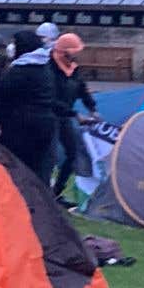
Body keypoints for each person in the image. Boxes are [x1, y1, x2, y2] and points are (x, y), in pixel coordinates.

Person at [0, 30, 58, 182]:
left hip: (22, 126)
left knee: (17, 165)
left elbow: (0, 88)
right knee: (39, 168)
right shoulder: (44, 66)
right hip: (44, 123)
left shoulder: (22, 69)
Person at [47, 33, 99, 201]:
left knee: (72, 152)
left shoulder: (73, 68)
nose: (77, 54)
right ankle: (44, 191)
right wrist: (75, 114)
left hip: (65, 116)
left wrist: (92, 108)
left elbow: (81, 88)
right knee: (50, 156)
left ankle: (57, 192)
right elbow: (50, 98)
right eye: (74, 51)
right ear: (64, 52)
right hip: (50, 116)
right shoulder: (49, 69)